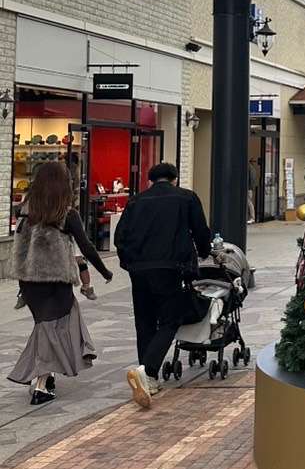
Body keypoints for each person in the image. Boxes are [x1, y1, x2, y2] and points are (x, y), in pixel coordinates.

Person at [7, 161, 112, 405]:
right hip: (56, 280)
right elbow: (86, 246)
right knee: (51, 328)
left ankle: (47, 374)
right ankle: (40, 384)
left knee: (45, 326)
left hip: (29, 281)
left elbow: (19, 246)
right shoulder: (67, 214)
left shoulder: (24, 210)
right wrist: (105, 271)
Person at [114, 162, 212, 409]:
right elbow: (201, 231)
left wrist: (129, 262)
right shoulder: (186, 198)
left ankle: (148, 377)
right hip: (171, 268)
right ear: (174, 179)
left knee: (144, 321)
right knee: (170, 319)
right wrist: (204, 252)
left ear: (150, 181)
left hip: (139, 269)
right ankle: (148, 372)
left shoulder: (136, 201)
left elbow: (120, 237)